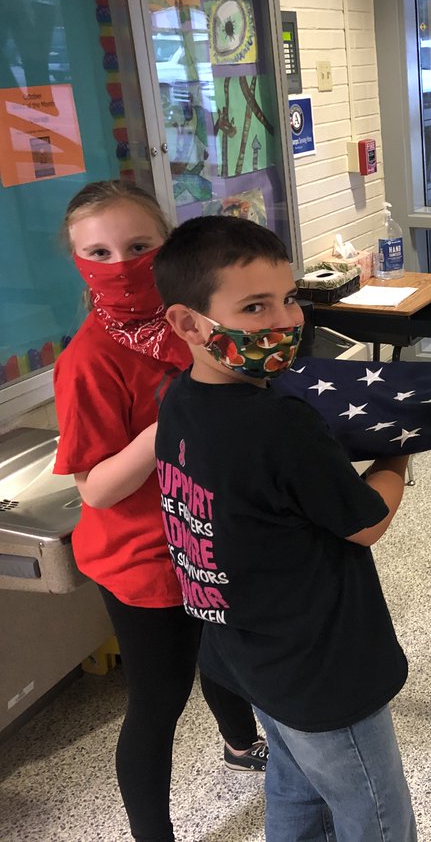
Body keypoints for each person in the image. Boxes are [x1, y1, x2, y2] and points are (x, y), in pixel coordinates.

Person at [152, 216, 416, 842]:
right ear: (189, 324)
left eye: (290, 297)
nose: (286, 320)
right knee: (375, 815)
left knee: (297, 790)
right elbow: (367, 522)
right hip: (318, 670)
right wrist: (399, 450)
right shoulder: (280, 423)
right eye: (254, 306)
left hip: (246, 654)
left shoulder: (179, 400)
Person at [52, 182, 266, 842]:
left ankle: (239, 744)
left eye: (138, 246)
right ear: (80, 263)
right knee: (158, 700)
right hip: (146, 562)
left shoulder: (188, 324)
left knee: (225, 655)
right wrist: (162, 428)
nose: (121, 264)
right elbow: (95, 489)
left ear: (167, 246)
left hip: (211, 535)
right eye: (99, 252)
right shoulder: (88, 362)